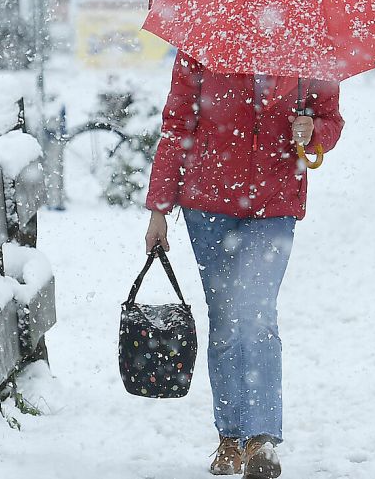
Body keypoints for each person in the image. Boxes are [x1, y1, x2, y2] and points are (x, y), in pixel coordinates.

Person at [143, 51, 344, 479]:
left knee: (256, 311)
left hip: (274, 204)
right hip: (208, 204)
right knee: (226, 319)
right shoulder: (204, 42)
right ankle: (230, 435)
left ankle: (261, 440)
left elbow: (331, 121)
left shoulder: (310, 45)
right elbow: (177, 126)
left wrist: (314, 131)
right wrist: (159, 207)